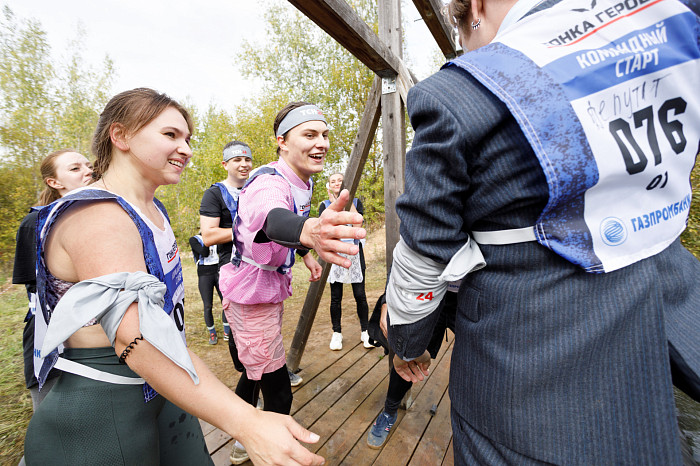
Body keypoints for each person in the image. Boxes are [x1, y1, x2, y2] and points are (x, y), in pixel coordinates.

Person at [385, 0, 700, 464]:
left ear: (474, 8)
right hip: (675, 302)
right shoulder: (669, 26)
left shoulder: (457, 92)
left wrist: (407, 342)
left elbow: (424, 251)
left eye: (463, 34)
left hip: (530, 374)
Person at [24, 88, 325, 466]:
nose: (186, 148)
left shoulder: (151, 208)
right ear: (120, 137)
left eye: (187, 138)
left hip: (165, 380)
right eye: (170, 135)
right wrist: (247, 422)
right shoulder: (98, 215)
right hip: (106, 397)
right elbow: (135, 337)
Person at [219, 101, 366, 464]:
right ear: (282, 141)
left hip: (264, 293)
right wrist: (308, 231)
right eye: (310, 134)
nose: (322, 143)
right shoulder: (268, 181)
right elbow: (273, 219)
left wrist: (306, 253)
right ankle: (262, 444)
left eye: (325, 135)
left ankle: (242, 435)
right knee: (278, 390)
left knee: (255, 373)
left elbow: (283, 228)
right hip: (250, 296)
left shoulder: (302, 179)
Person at [13, 149, 94, 410]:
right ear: (54, 182)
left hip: (102, 338)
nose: (88, 171)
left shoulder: (105, 213)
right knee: (52, 419)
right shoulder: (34, 223)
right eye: (75, 169)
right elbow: (35, 289)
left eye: (88, 165)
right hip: (52, 336)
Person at [366, 281, 459, 449]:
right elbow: (401, 260)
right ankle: (389, 413)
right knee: (407, 355)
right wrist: (387, 300)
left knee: (478, 364)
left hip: (473, 295)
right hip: (430, 293)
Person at [199, 140, 253, 346]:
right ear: (225, 164)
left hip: (261, 265)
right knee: (239, 326)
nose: (243, 164)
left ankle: (270, 372)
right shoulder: (214, 194)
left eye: (247, 159)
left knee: (264, 321)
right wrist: (247, 231)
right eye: (237, 159)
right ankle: (249, 373)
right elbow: (209, 236)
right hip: (232, 267)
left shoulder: (256, 188)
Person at [319, 172, 371, 351]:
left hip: (355, 252)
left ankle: (366, 331)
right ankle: (337, 333)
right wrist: (334, 203)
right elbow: (325, 231)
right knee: (335, 297)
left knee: (360, 295)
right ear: (329, 186)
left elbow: (357, 226)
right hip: (335, 253)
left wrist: (346, 201)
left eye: (339, 180)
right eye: (332, 181)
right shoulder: (324, 206)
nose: (336, 183)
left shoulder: (356, 202)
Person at [188, 232, 224, 345]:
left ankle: (228, 332)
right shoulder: (194, 239)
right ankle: (212, 333)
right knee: (208, 305)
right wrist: (209, 240)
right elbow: (204, 252)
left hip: (218, 272)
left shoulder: (217, 237)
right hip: (204, 274)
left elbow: (221, 252)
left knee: (226, 302)